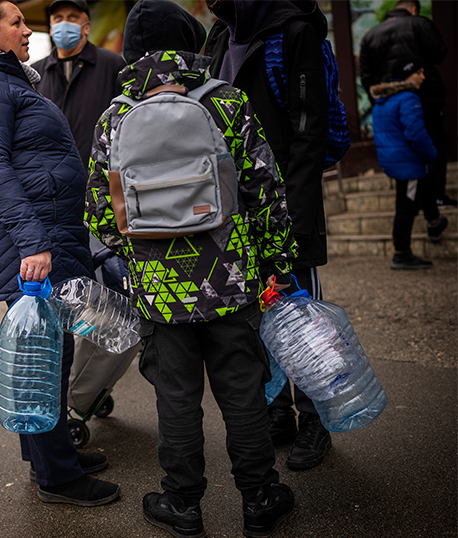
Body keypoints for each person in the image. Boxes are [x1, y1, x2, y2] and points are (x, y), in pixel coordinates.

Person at [86, 0, 298, 535]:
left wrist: (140, 256)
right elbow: (266, 190)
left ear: (131, 52)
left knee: (176, 398)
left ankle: (182, 504)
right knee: (243, 391)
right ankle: (259, 498)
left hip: (159, 292)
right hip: (231, 281)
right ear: (191, 43)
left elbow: (99, 215)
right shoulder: (226, 102)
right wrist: (275, 259)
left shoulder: (114, 117)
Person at [0, 0, 119, 507]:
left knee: (47, 350)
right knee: (45, 355)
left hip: (44, 229)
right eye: (16, 22)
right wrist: (33, 240)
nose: (28, 30)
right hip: (29, 237)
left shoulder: (4, 78)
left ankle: (48, 454)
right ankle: (57, 477)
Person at [204, 0, 333, 472]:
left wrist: (291, 219)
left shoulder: (294, 32)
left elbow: (309, 132)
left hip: (289, 207)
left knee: (302, 317)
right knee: (257, 317)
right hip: (238, 211)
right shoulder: (219, 37)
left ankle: (316, 419)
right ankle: (278, 411)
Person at [359, 0, 453, 208]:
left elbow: (366, 76)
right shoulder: (419, 23)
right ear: (413, 9)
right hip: (427, 98)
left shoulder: (370, 35)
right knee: (431, 143)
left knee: (404, 146)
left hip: (389, 104)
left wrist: (381, 103)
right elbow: (440, 53)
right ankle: (434, 198)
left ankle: (417, 202)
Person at [31, 0, 126, 166]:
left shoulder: (112, 64)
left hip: (100, 172)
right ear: (51, 29)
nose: (64, 23)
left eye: (72, 17)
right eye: (58, 18)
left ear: (86, 27)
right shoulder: (36, 73)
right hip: (53, 174)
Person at [371, 58, 445, 270]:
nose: (423, 77)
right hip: (408, 163)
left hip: (396, 161)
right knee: (406, 207)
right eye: (418, 72)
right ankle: (401, 253)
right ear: (406, 76)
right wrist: (432, 153)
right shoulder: (408, 98)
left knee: (426, 183)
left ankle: (434, 222)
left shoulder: (384, 100)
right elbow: (415, 133)